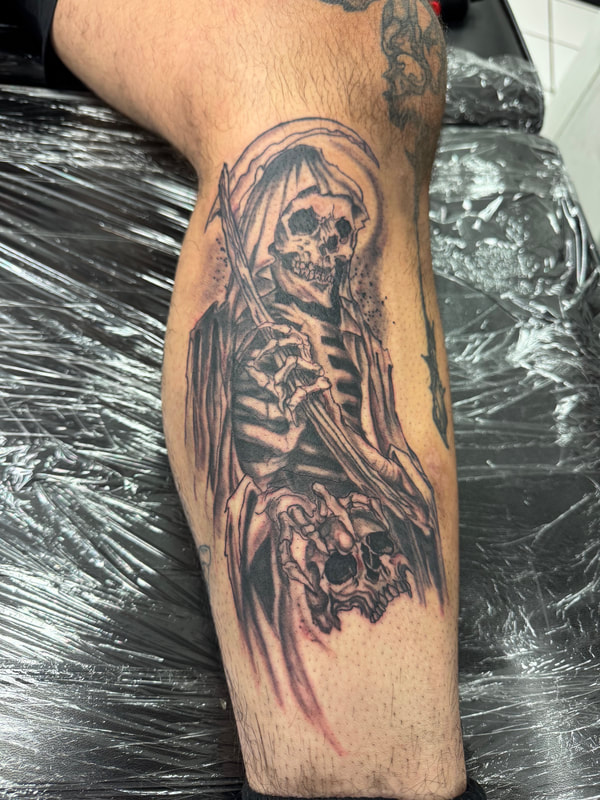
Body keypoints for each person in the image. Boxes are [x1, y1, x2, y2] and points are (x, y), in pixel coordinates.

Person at [13, 1, 486, 798]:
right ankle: (359, 781)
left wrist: (365, 461)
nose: (327, 252)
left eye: (341, 235)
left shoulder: (358, 344)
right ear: (270, 231)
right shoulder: (244, 336)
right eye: (306, 227)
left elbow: (386, 456)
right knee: (318, 58)